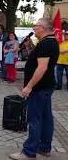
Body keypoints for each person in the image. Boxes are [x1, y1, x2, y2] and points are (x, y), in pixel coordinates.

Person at [9, 18, 59, 160]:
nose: (34, 28)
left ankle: (29, 152)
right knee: (46, 117)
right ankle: (44, 148)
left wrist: (29, 86)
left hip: (39, 87)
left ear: (43, 28)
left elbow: (42, 67)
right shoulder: (48, 42)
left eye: (36, 26)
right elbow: (38, 60)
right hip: (46, 86)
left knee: (34, 119)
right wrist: (30, 47)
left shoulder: (46, 43)